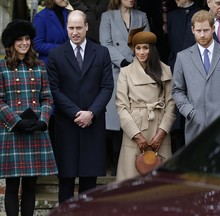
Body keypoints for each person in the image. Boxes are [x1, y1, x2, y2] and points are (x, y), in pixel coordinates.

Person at [46, 10, 113, 203]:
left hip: (93, 124)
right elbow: (54, 89)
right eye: (71, 28)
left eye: (78, 28)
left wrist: (91, 113)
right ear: (66, 28)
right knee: (65, 182)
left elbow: (107, 87)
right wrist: (76, 113)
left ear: (86, 27)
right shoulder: (56, 54)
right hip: (66, 125)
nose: (75, 32)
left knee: (89, 184)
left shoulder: (101, 52)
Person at [0, 19, 58, 216]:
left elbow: (47, 98)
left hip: (35, 131)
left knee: (31, 186)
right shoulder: (2, 66)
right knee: (12, 185)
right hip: (12, 132)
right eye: (19, 39)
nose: (24, 43)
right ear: (11, 43)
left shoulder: (40, 65)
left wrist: (43, 120)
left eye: (27, 39)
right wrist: (16, 122)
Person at [172, 10, 220, 145]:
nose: (202, 35)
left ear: (213, 28)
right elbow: (177, 90)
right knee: (195, 164)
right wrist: (190, 112)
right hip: (195, 126)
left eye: (206, 30)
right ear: (192, 30)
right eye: (198, 30)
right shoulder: (182, 57)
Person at [116, 31, 176, 181]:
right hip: (135, 131)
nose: (141, 52)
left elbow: (171, 103)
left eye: (145, 48)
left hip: (159, 130)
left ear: (152, 49)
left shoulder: (165, 70)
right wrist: (136, 135)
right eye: (138, 48)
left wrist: (161, 133)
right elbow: (121, 107)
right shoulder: (125, 72)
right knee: (131, 182)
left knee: (159, 182)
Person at [99, 0, 150, 176]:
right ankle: (113, 164)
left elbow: (147, 40)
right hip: (116, 71)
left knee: (135, 117)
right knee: (115, 120)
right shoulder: (108, 17)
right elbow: (105, 43)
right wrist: (124, 62)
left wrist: (137, 61)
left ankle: (134, 163)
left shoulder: (141, 16)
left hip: (138, 71)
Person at [167, 0, 200, 153]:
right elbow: (170, 45)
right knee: (177, 116)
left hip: (197, 69)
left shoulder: (200, 12)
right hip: (176, 69)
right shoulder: (172, 16)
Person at [33, 0, 72, 64]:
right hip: (50, 65)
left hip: (68, 64)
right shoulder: (41, 17)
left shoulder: (69, 14)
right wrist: (63, 48)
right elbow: (37, 45)